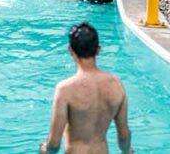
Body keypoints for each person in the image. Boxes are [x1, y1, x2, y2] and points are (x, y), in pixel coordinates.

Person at [41, 22, 132, 154]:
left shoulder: (65, 89)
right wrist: (127, 151)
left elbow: (54, 144)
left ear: (70, 50)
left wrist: (44, 149)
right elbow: (124, 136)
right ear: (98, 49)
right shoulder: (116, 84)